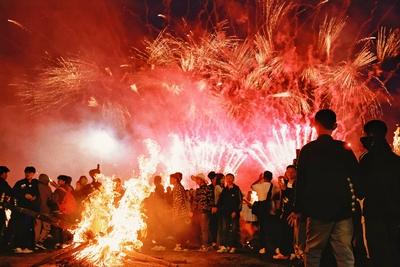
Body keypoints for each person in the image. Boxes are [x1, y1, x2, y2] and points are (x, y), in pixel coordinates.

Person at [289, 109, 359, 267]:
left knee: (313, 252)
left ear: (315, 125)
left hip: (317, 209)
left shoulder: (307, 150)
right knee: (344, 253)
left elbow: (301, 182)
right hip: (343, 209)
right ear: (335, 125)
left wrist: (298, 208)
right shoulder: (343, 148)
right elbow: (356, 176)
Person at [359, 120, 400, 267]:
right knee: (394, 249)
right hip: (395, 212)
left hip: (374, 213)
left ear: (370, 135)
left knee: (378, 251)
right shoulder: (396, 160)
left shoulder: (366, 160)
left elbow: (360, 190)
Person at [11, 166, 40, 253]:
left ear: (33, 174)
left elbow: (38, 194)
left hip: (31, 210)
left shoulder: (36, 184)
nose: (28, 174)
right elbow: (13, 193)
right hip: (21, 210)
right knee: (20, 227)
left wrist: (35, 197)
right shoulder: (20, 183)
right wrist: (24, 195)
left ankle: (28, 247)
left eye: (30, 173)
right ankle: (18, 246)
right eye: (26, 172)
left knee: (29, 228)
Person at [217, 173, 242, 253]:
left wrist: (236, 211)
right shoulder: (225, 190)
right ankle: (225, 246)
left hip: (234, 213)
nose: (228, 180)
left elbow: (239, 202)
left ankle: (233, 246)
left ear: (233, 179)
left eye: (230, 178)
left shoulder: (236, 189)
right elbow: (220, 201)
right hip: (225, 213)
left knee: (234, 230)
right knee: (225, 229)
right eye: (227, 178)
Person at [250, 171, 273, 255]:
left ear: (264, 177)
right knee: (269, 227)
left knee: (262, 227)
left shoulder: (260, 186)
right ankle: (271, 247)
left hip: (261, 208)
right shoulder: (273, 185)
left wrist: (259, 179)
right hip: (269, 208)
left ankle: (263, 247)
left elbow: (252, 185)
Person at [191, 173, 214, 251]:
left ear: (201, 180)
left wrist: (209, 208)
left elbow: (210, 200)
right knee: (204, 228)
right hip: (201, 211)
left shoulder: (205, 189)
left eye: (197, 179)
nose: (196, 181)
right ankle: (208, 245)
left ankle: (206, 245)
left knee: (204, 229)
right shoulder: (200, 189)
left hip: (204, 211)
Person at [170, 172, 190, 251]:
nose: (170, 180)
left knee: (178, 229)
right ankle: (183, 245)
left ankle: (179, 245)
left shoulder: (177, 187)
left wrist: (175, 213)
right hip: (182, 212)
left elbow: (179, 201)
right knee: (182, 229)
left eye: (171, 179)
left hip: (180, 213)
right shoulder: (179, 186)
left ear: (175, 180)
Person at [34, 174, 52, 250]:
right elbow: (51, 199)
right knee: (46, 227)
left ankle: (35, 242)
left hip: (37, 210)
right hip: (46, 210)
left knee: (37, 227)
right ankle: (40, 242)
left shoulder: (36, 186)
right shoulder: (47, 188)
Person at [0, 166, 12, 250]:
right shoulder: (2, 183)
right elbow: (11, 192)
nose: (7, 175)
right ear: (3, 173)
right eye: (6, 173)